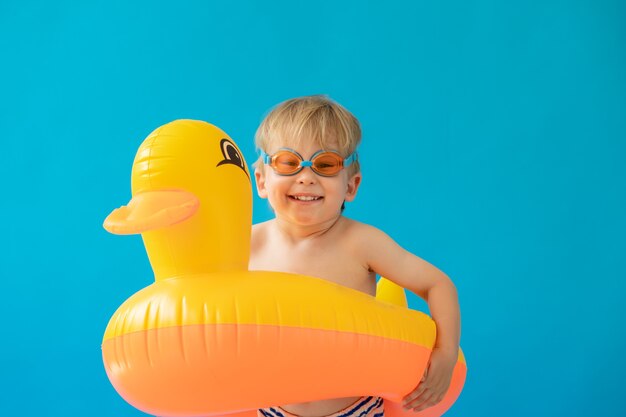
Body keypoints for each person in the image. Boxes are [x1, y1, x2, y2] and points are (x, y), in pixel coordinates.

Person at [250, 95, 461, 417]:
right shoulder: (248, 244)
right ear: (262, 180)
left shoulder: (360, 243)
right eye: (288, 163)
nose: (306, 177)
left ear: (351, 185)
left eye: (326, 165)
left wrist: (445, 356)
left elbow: (437, 284)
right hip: (271, 409)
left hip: (353, 409)